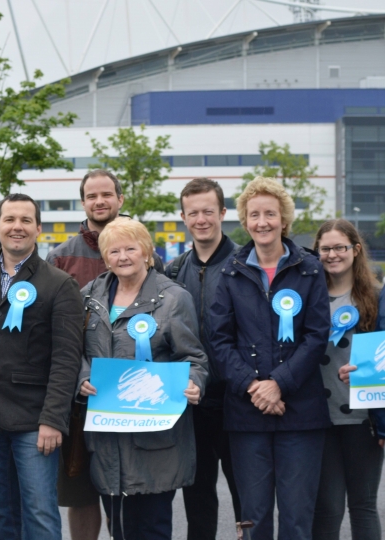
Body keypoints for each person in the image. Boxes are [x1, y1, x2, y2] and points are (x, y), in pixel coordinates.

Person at [208, 176, 331, 540]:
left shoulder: (309, 270)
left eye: (271, 214)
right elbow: (220, 340)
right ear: (245, 221)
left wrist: (279, 384)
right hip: (247, 415)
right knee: (254, 518)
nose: (263, 222)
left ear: (284, 220)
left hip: (301, 413)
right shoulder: (231, 273)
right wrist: (255, 387)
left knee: (296, 519)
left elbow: (315, 335)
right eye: (254, 214)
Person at [0, 193, 83, 540]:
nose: (17, 227)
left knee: (40, 513)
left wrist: (53, 419)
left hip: (35, 422)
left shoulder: (60, 284)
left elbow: (66, 359)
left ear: (38, 229)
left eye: (26, 220)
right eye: (10, 220)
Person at [77, 218, 208, 540]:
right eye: (114, 250)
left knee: (151, 528)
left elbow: (194, 356)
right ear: (105, 258)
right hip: (107, 438)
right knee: (118, 528)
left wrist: (195, 382)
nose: (123, 257)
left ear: (147, 252)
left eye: (130, 248)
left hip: (155, 440)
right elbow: (73, 352)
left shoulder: (174, 298)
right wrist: (80, 378)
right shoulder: (87, 297)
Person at [45, 169, 127, 540]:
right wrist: (77, 377)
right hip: (79, 394)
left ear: (120, 200)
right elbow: (52, 329)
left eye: (106, 194)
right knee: (80, 493)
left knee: (125, 492)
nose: (100, 201)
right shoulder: (60, 258)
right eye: (92, 195)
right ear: (83, 202)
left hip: (126, 395)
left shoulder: (141, 249)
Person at [167, 178, 241, 540]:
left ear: (223, 213)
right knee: (197, 496)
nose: (201, 219)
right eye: (193, 212)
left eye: (208, 211)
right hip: (191, 401)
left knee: (247, 494)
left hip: (237, 398)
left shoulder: (246, 264)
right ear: (183, 217)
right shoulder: (173, 270)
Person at [312, 219, 385, 540]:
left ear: (355, 250)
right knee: (326, 508)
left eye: (340, 247)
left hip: (363, 419)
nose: (332, 255)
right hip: (317, 418)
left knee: (363, 505)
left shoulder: (377, 297)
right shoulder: (306, 296)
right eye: (325, 248)